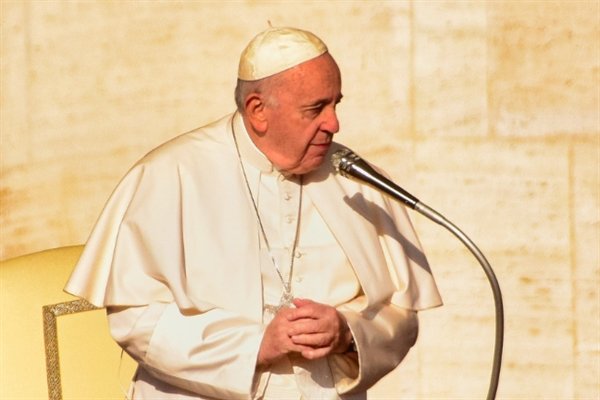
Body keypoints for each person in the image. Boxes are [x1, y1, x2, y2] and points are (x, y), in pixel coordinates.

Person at [65, 26, 442, 399]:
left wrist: (348, 333)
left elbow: (401, 312)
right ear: (258, 111)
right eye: (315, 109)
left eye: (335, 104)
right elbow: (135, 319)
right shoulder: (170, 174)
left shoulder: (356, 181)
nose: (334, 123)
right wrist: (255, 347)